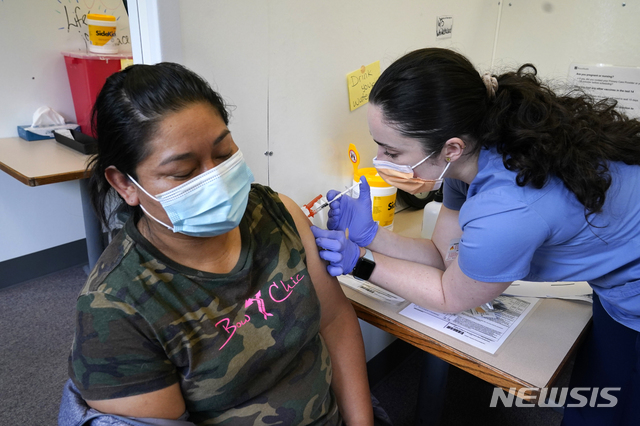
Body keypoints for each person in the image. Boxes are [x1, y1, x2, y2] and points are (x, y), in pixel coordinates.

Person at [311, 47, 640, 425]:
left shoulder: (505, 208)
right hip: (617, 283)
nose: (380, 160)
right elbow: (443, 254)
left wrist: (361, 263)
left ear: (451, 148)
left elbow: (451, 295)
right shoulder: (472, 156)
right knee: (598, 402)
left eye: (393, 151)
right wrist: (373, 235)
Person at [60, 62, 375, 426]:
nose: (217, 182)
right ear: (125, 184)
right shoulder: (115, 312)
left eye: (224, 154)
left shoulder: (278, 213)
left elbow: (335, 321)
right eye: (183, 172)